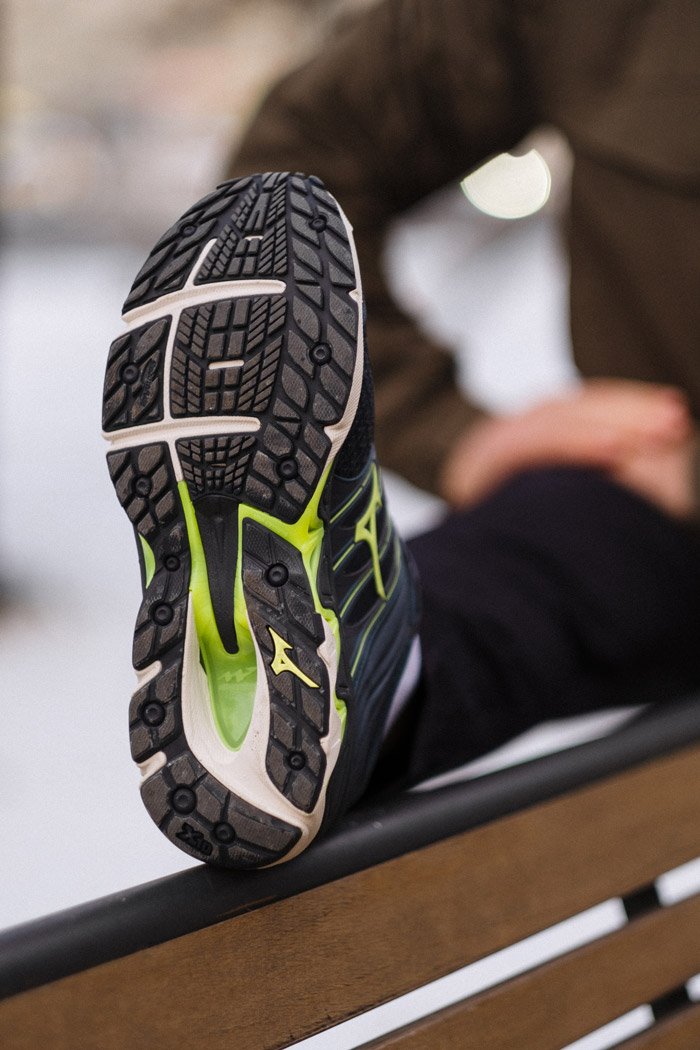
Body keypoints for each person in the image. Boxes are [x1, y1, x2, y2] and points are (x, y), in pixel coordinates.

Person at [103, 0, 700, 868]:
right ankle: (342, 672)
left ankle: (316, 679)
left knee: (546, 568)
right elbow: (293, 174)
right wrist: (451, 432)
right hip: (650, 506)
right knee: (526, 563)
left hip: (673, 487)